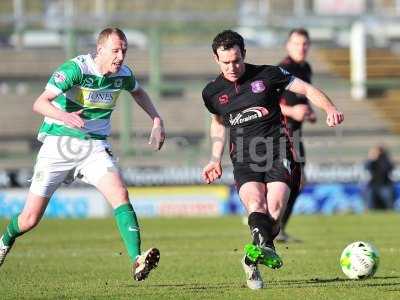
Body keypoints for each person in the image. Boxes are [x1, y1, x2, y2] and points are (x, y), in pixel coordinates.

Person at [0, 28, 165, 282]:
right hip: (58, 145)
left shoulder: (123, 75)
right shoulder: (76, 69)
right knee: (29, 219)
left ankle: (136, 259)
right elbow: (40, 102)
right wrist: (65, 116)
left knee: (120, 193)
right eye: (115, 50)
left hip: (94, 147)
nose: (121, 56)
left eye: (124, 50)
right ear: (100, 50)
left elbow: (138, 92)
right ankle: (5, 241)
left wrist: (156, 119)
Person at [201, 30, 343, 290]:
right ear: (216, 59)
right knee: (256, 204)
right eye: (225, 62)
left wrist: (330, 108)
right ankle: (263, 249)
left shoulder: (268, 74)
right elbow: (218, 123)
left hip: (278, 151)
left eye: (236, 60)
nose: (232, 67)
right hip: (244, 158)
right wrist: (214, 158)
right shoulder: (212, 92)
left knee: (275, 212)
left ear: (244, 53)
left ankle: (252, 257)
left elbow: (306, 88)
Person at [275, 28, 317, 243]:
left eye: (305, 44)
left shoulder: (306, 68)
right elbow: (268, 103)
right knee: (288, 180)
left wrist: (308, 112)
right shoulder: (283, 69)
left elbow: (303, 97)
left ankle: (278, 227)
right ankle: (268, 223)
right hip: (280, 133)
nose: (301, 47)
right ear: (287, 46)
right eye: (297, 43)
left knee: (298, 181)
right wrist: (292, 112)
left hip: (296, 133)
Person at [364, 145, 395, 210]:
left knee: (388, 203)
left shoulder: (385, 160)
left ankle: (390, 210)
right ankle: (369, 211)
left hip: (384, 184)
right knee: (369, 199)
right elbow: (366, 167)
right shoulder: (372, 161)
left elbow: (386, 169)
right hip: (373, 185)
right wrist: (371, 159)